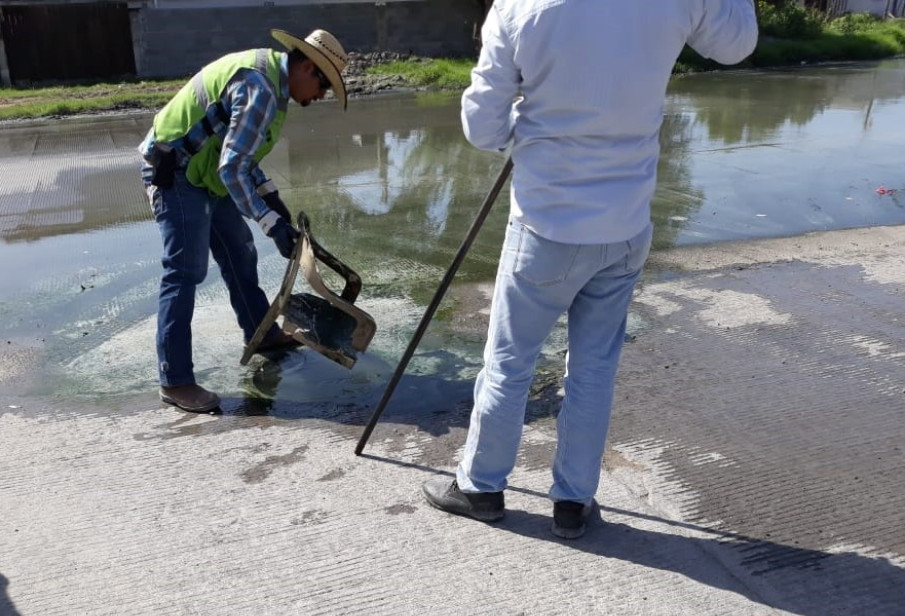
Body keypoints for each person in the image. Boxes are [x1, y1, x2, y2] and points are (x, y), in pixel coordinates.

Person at [422, 0, 758, 537]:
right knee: (594, 369)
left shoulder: (520, 6)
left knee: (510, 363)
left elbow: (481, 129)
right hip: (624, 226)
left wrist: (528, 131)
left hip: (545, 227)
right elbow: (737, 45)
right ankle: (574, 502)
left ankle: (481, 487)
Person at [139, 29, 349, 413]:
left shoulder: (272, 84)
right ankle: (175, 380)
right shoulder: (262, 89)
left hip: (203, 172)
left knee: (239, 249)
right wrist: (271, 222)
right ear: (305, 66)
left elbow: (242, 156)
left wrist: (272, 200)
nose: (320, 97)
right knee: (184, 271)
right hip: (176, 172)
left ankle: (261, 333)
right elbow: (233, 168)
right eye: (323, 85)